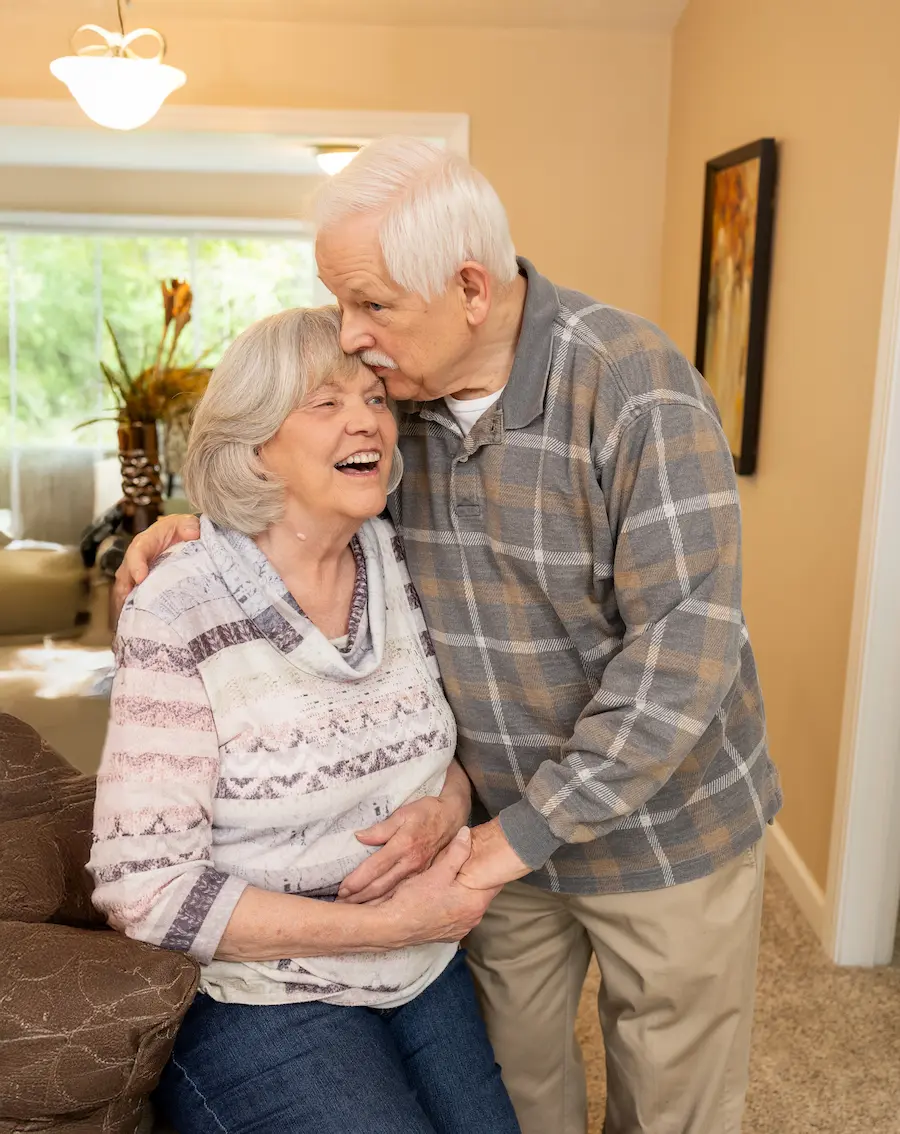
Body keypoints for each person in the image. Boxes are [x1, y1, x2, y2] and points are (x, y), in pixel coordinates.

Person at [116, 138, 783, 1134]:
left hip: (664, 827)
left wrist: (522, 833)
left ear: (471, 287)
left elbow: (684, 650)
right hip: (488, 828)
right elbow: (299, 493)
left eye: (372, 305)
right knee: (518, 1094)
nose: (354, 335)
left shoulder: (631, 384)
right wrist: (193, 529)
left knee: (672, 1103)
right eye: (341, 302)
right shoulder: (396, 410)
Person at [89, 306, 521, 1134]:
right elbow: (143, 887)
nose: (366, 419)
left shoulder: (399, 559)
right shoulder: (178, 606)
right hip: (257, 994)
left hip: (421, 966)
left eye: (374, 398)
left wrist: (445, 809)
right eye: (324, 403)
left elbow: (445, 754)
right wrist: (380, 924)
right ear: (253, 446)